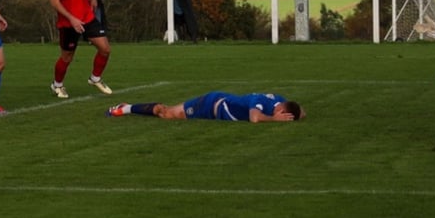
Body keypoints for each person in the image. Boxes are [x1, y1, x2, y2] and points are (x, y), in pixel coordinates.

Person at [49, 0, 112, 98]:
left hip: (87, 17)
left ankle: (95, 78)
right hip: (69, 23)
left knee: (105, 49)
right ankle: (57, 85)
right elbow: (54, 1)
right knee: (67, 57)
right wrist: (72, 19)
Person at [106, 91, 305, 122]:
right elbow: (254, 118)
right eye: (283, 117)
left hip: (219, 100)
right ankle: (126, 108)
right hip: (210, 105)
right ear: (280, 111)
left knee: (168, 112)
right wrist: (273, 119)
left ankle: (127, 107)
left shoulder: (280, 100)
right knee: (167, 114)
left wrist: (297, 114)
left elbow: (302, 112)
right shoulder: (261, 102)